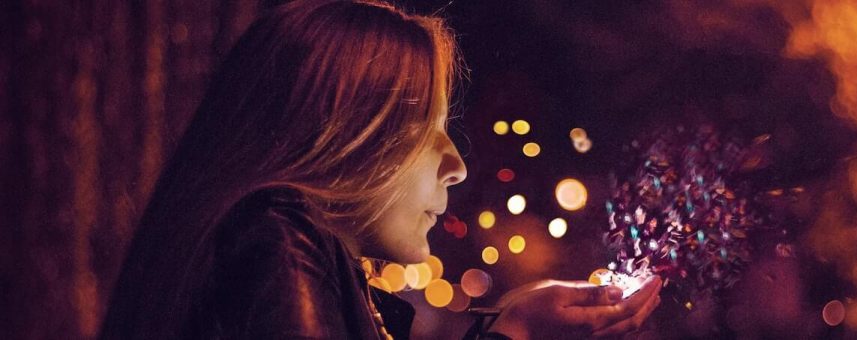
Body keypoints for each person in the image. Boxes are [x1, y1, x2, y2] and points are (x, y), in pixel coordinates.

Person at [99, 1, 662, 339]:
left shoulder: (270, 248)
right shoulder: (276, 237)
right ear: (343, 133)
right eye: (427, 131)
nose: (457, 167)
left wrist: (514, 326)